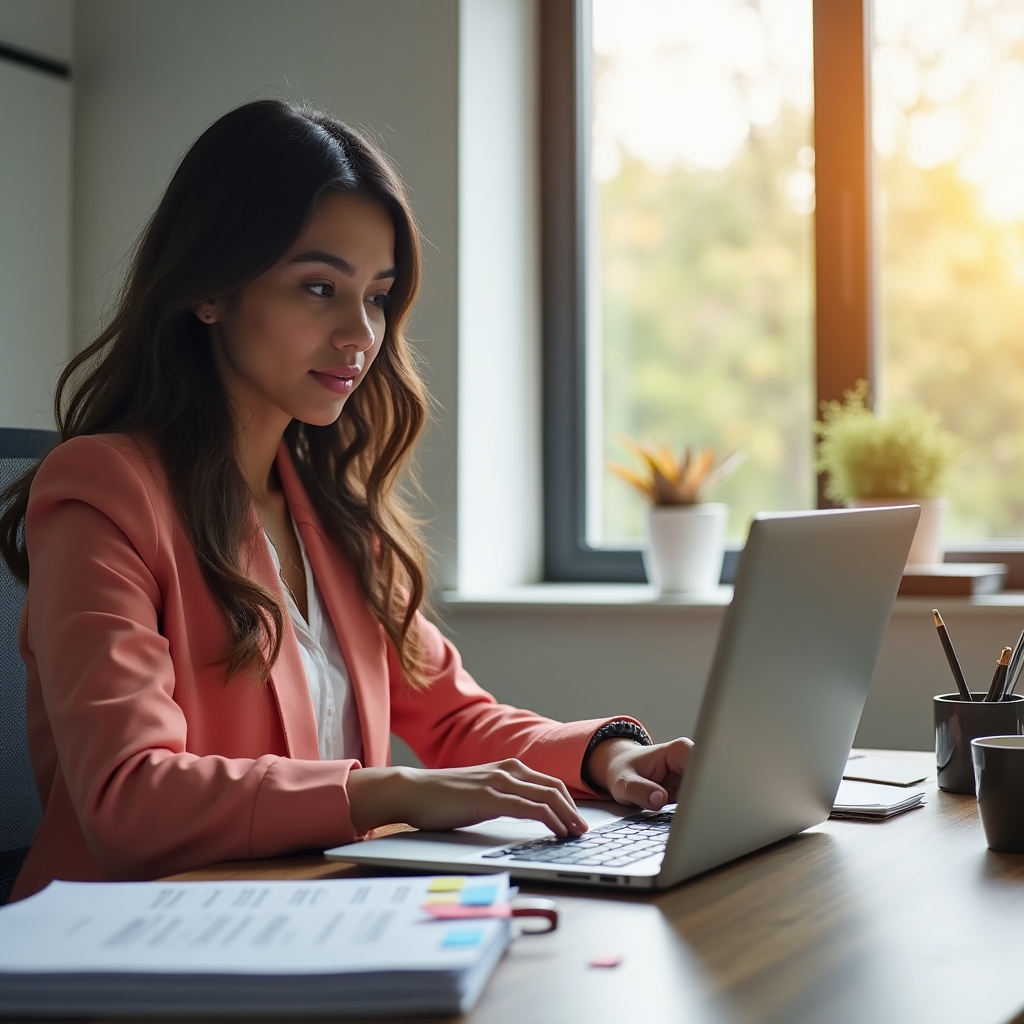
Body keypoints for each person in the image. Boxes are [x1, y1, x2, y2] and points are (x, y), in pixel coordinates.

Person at [0, 100, 692, 901]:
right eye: (320, 288)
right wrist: (386, 790)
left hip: (310, 915)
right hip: (129, 947)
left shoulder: (330, 511)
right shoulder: (106, 491)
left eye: (377, 296)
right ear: (211, 291)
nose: (360, 333)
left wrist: (611, 757)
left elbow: (456, 721)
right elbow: (129, 795)